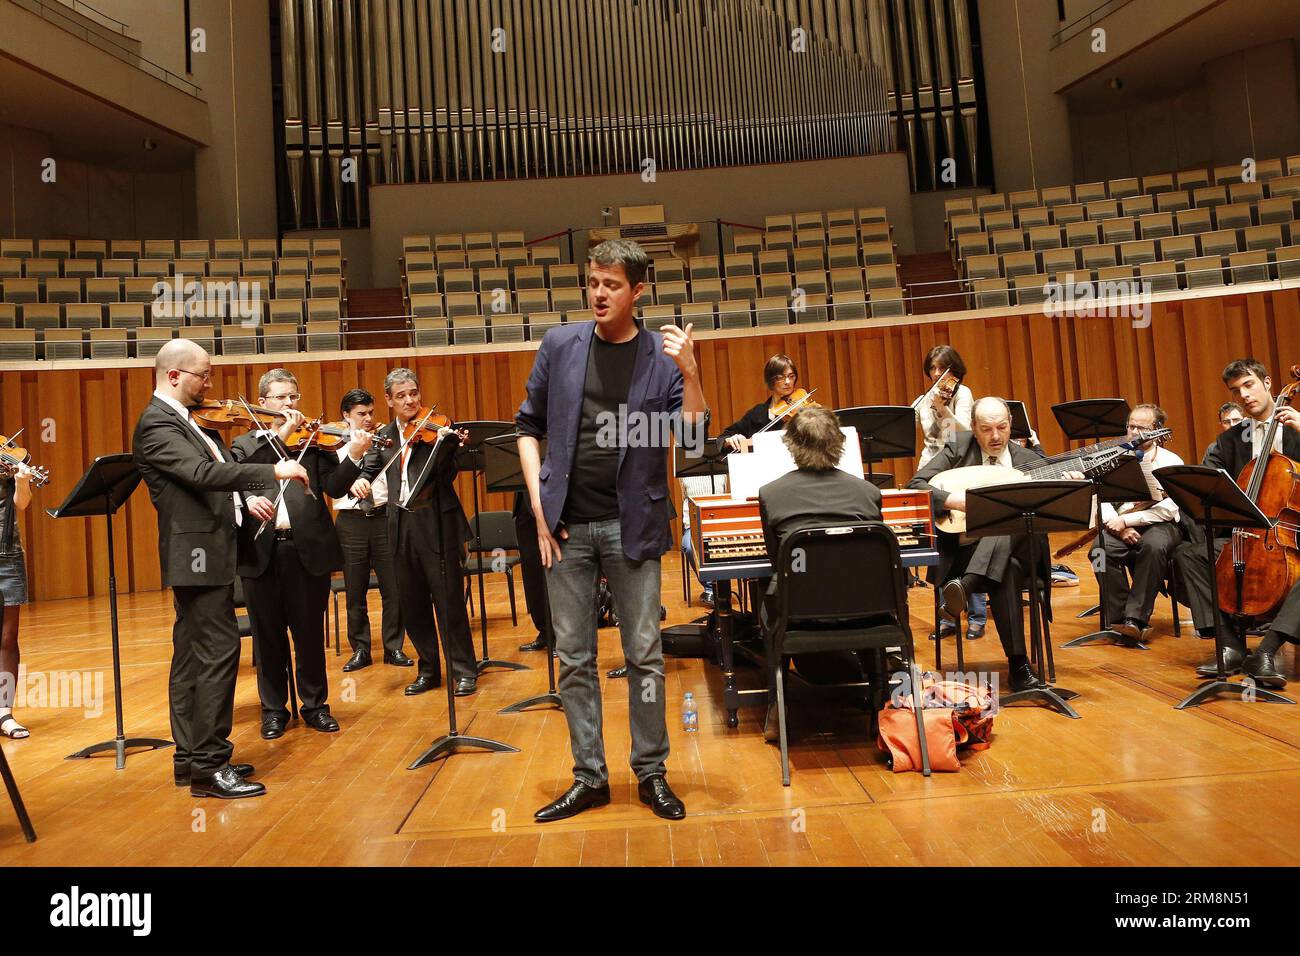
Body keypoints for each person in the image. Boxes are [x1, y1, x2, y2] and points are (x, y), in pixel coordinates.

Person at [517, 238, 706, 823]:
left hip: (634, 525)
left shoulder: (659, 356)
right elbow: (527, 428)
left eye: (612, 284)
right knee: (573, 658)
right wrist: (540, 511)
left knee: (644, 655)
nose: (599, 293)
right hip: (567, 528)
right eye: (593, 282)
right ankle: (589, 777)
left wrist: (692, 372)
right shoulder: (560, 345)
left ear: (638, 291)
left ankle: (651, 773)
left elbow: (694, 440)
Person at [132, 339, 308, 798]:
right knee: (217, 653)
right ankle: (211, 765)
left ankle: (190, 759)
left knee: (191, 657)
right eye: (203, 375)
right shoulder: (156, 423)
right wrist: (274, 473)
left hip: (207, 552)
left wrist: (246, 498)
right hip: (197, 556)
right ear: (174, 376)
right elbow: (201, 476)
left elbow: (218, 472)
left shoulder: (189, 421)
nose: (210, 384)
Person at [335, 368, 479, 697]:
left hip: (437, 523)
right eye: (401, 395)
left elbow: (447, 475)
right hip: (399, 526)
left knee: (449, 601)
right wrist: (360, 479)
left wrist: (452, 447)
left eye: (413, 392)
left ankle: (464, 669)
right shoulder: (383, 437)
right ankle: (429, 669)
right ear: (388, 400)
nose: (410, 400)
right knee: (411, 603)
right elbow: (369, 470)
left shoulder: (438, 429)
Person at [232, 369, 355, 739]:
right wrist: (280, 436)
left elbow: (335, 487)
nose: (289, 404)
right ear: (263, 403)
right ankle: (273, 710)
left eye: (294, 397)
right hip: (260, 551)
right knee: (267, 637)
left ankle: (315, 706)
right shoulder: (244, 446)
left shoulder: (314, 443)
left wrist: (356, 456)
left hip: (307, 551)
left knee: (309, 635)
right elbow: (238, 479)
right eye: (281, 398)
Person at [907, 397, 1051, 692]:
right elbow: (916, 485)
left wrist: (1071, 480)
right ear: (973, 427)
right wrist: (955, 500)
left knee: (1009, 515)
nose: (995, 436)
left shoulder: (1030, 461)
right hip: (964, 553)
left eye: (1002, 427)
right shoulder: (959, 449)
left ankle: (967, 586)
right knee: (1005, 570)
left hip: (1021, 553)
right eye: (986, 429)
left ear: (1011, 424)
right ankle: (1019, 667)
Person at [757, 406, 884, 739]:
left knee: (767, 595)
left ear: (791, 444)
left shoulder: (772, 494)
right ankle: (880, 702)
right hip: (865, 614)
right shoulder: (869, 494)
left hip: (799, 617)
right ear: (838, 443)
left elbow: (777, 563)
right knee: (872, 594)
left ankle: (776, 705)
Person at [1173, 359, 1300, 682]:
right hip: (1247, 535)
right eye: (1235, 390)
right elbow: (1211, 482)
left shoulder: (1296, 427)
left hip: (1293, 534)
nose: (1243, 395)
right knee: (1189, 556)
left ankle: (1267, 652)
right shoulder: (1230, 441)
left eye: (1249, 385)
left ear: (1268, 383)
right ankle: (1229, 646)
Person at [332, 388, 412, 672]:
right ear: (346, 415)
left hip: (383, 517)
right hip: (351, 521)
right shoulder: (332, 443)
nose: (368, 419)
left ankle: (393, 647)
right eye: (360, 414)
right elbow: (331, 480)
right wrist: (348, 480)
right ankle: (361, 649)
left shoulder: (384, 439)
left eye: (370, 413)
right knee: (355, 590)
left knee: (394, 588)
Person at [1093, 403, 1184, 643]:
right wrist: (1118, 524)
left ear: (1156, 430)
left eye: (1140, 427)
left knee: (1152, 547)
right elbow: (1098, 495)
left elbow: (1168, 509)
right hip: (1121, 524)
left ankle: (1136, 618)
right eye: (1130, 426)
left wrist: (1127, 520)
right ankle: (1120, 617)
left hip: (1162, 525)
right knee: (1100, 551)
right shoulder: (1114, 458)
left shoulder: (1170, 461)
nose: (1133, 432)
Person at [913, 345, 985, 640]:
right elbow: (932, 440)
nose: (938, 374)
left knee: (968, 540)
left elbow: (962, 436)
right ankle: (947, 616)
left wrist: (944, 409)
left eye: (943, 368)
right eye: (933, 368)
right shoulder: (921, 401)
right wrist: (934, 406)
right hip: (934, 472)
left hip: (962, 469)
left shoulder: (964, 394)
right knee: (940, 545)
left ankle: (977, 616)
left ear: (954, 370)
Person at [0, 456, 36, 740]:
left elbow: (21, 504)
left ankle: (4, 712)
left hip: (7, 556)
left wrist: (22, 481)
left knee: (8, 637)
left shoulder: (7, 462)